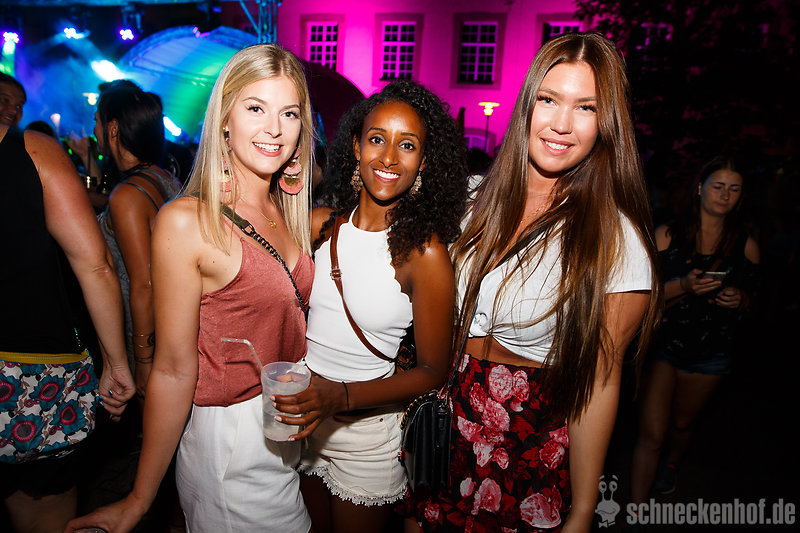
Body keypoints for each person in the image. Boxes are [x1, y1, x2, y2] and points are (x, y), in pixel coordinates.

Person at [400, 32, 662, 532]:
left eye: (585, 107)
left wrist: (583, 510)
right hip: (442, 428)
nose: (561, 124)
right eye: (549, 99)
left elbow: (600, 382)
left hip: (527, 446)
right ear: (527, 104)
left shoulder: (616, 240)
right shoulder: (468, 199)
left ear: (606, 122)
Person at [65, 43, 315, 533]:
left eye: (289, 113)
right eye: (255, 108)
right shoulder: (188, 221)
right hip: (230, 447)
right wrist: (139, 499)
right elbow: (175, 369)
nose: (274, 128)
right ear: (224, 120)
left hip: (284, 433)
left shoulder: (286, 211)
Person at [273, 80, 468, 532]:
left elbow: (433, 370)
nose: (389, 158)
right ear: (357, 147)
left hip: (365, 436)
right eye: (378, 139)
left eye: (408, 145)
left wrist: (339, 396)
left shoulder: (424, 253)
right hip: (302, 422)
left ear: (423, 162)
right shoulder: (319, 225)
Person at [0, 120, 135, 532]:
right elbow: (95, 266)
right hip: (29, 382)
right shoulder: (32, 151)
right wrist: (116, 363)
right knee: (43, 512)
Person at [630, 155, 759, 502]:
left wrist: (740, 299)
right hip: (663, 347)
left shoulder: (746, 245)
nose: (725, 194)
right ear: (700, 188)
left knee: (683, 425)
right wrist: (684, 286)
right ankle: (637, 510)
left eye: (734, 189)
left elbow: (755, 302)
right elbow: (641, 297)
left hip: (711, 353)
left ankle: (672, 465)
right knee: (651, 435)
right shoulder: (667, 235)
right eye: (718, 186)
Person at [93, 80, 182, 401]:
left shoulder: (127, 195)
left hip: (144, 333)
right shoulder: (162, 177)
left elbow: (143, 284)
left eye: (97, 121)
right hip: (170, 325)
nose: (94, 130)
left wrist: (143, 360)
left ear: (113, 128)